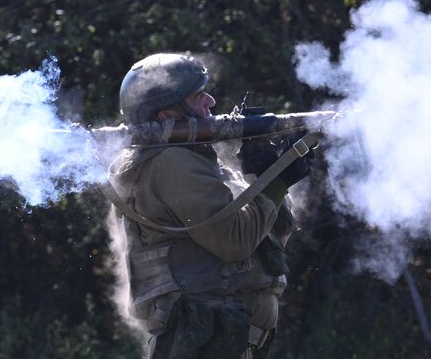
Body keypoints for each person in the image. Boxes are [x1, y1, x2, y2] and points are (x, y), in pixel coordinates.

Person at [108, 53, 313, 359]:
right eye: (198, 96)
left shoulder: (195, 161)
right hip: (203, 343)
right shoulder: (171, 162)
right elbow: (235, 242)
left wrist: (264, 173)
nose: (211, 102)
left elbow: (268, 243)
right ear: (167, 117)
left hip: (224, 343)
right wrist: (276, 181)